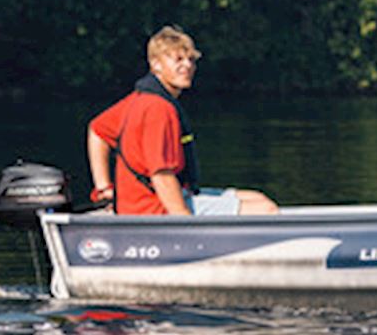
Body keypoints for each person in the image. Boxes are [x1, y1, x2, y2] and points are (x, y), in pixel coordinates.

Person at [85, 26, 278, 216]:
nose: (187, 66)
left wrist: (103, 188)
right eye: (178, 59)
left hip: (144, 202)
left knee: (257, 198)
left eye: (191, 59)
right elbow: (161, 175)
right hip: (153, 208)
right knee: (265, 210)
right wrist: (184, 221)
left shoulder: (138, 99)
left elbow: (97, 130)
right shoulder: (159, 108)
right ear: (156, 64)